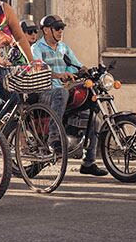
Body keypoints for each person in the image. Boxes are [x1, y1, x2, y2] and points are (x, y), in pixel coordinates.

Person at [32, 14, 108, 176]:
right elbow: (38, 69)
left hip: (62, 94)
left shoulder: (63, 48)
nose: (61, 31)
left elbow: (76, 65)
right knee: (61, 92)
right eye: (57, 28)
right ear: (46, 30)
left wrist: (89, 71)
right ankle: (54, 138)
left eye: (62, 28)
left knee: (94, 120)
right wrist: (58, 75)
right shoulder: (37, 48)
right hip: (44, 92)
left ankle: (88, 163)